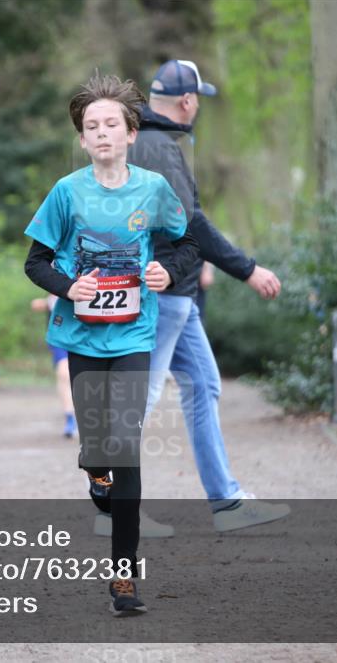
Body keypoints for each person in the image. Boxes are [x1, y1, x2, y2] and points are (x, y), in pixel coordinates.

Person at [23, 73, 199, 616]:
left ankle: (124, 579)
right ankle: (94, 469)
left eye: (111, 125)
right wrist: (68, 286)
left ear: (129, 133)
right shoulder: (66, 192)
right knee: (100, 451)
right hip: (79, 335)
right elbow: (35, 263)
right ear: (82, 139)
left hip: (133, 334)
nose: (102, 134)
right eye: (91, 126)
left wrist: (167, 271)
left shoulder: (152, 189)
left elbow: (188, 242)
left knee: (125, 447)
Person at [126, 59, 291, 532]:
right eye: (199, 99)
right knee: (139, 401)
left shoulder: (153, 143)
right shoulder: (160, 148)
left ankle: (228, 503)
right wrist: (247, 268)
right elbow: (189, 222)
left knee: (203, 385)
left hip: (176, 296)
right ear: (188, 101)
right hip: (164, 294)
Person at [30, 295, 77, 438]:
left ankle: (87, 416)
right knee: (64, 373)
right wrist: (47, 302)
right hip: (59, 339)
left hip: (83, 337)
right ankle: (70, 418)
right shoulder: (54, 293)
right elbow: (36, 304)